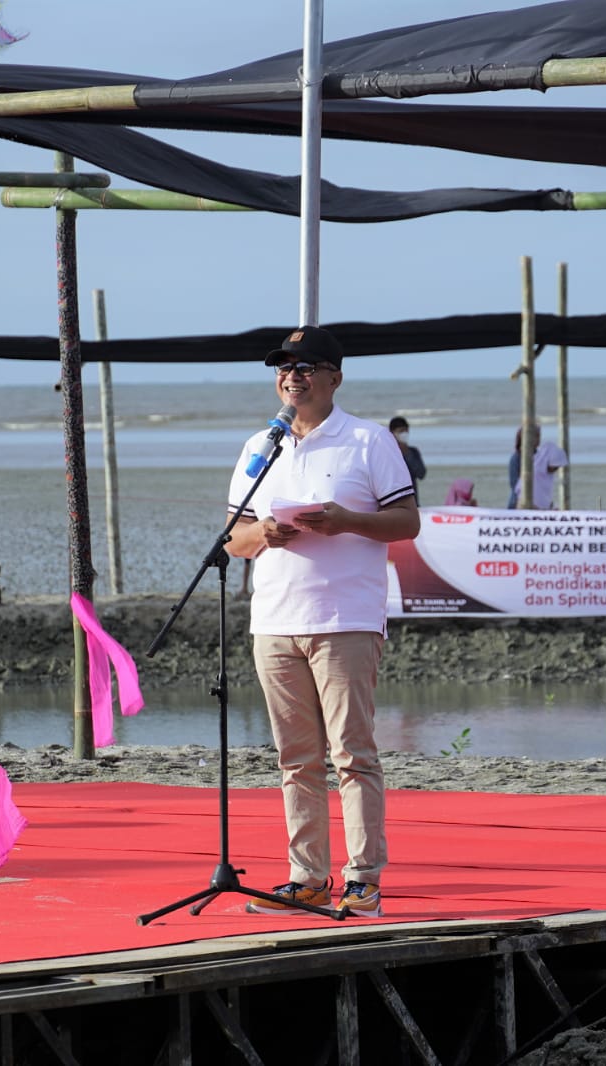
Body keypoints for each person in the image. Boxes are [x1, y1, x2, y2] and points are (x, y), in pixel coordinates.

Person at [225, 325, 420, 918]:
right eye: (284, 367)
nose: (293, 376)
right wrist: (265, 534)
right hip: (274, 621)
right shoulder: (263, 445)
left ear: (334, 376)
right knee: (294, 759)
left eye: (306, 367)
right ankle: (306, 878)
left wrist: (346, 521)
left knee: (352, 755)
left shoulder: (367, 441)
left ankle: (363, 881)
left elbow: (407, 522)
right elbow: (233, 537)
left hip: (345, 620)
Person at [510, 423, 568, 509]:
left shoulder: (542, 456)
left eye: (539, 436)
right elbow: (515, 485)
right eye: (535, 436)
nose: (538, 439)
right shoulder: (517, 458)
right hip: (520, 503)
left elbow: (545, 487)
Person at [388, 416, 426, 494]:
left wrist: (407, 453)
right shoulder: (387, 452)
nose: (404, 434)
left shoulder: (413, 452)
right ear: (392, 433)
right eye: (401, 431)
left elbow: (421, 474)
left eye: (406, 431)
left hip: (412, 498)